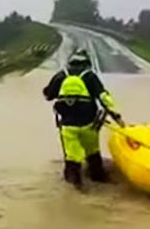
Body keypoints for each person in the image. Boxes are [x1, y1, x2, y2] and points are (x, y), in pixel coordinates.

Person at [42, 49, 123, 190]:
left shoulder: (61, 76)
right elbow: (103, 97)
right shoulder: (90, 77)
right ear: (87, 63)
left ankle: (74, 184)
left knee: (72, 155)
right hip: (89, 124)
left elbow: (48, 95)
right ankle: (98, 177)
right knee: (92, 151)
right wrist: (117, 116)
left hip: (68, 126)